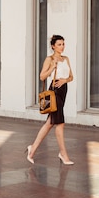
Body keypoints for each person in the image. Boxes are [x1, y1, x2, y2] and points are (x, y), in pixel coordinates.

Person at [26, 34, 75, 165]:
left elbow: (71, 77)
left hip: (63, 90)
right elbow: (42, 76)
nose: (62, 46)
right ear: (53, 46)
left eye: (63, 44)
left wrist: (65, 80)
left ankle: (32, 149)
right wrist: (52, 67)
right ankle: (63, 154)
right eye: (59, 44)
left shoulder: (66, 59)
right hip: (54, 91)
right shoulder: (50, 59)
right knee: (60, 123)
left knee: (49, 123)